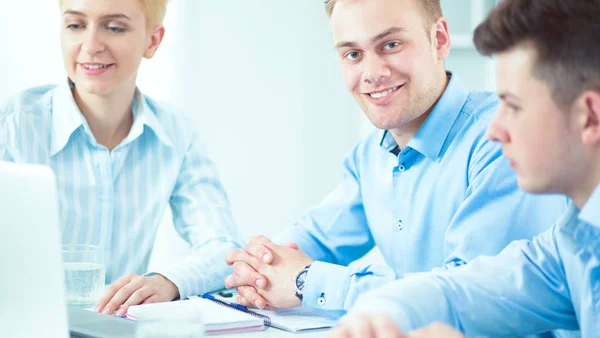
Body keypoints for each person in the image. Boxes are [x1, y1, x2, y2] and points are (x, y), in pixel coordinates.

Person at [223, 0, 566, 317]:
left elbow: (471, 296)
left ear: (440, 40)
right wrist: (255, 269)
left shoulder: (502, 139)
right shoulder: (369, 157)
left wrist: (307, 282)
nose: (372, 72)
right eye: (353, 54)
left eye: (391, 45)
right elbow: (310, 237)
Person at [328, 0, 600, 337]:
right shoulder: (572, 241)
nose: (494, 129)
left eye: (513, 106)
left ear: (589, 116)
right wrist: (380, 313)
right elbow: (462, 292)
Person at [0, 0, 242, 317]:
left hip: (118, 328)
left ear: (152, 41)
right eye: (75, 25)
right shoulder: (18, 123)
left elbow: (223, 247)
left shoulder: (176, 133)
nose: (91, 46)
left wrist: (169, 280)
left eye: (114, 28)